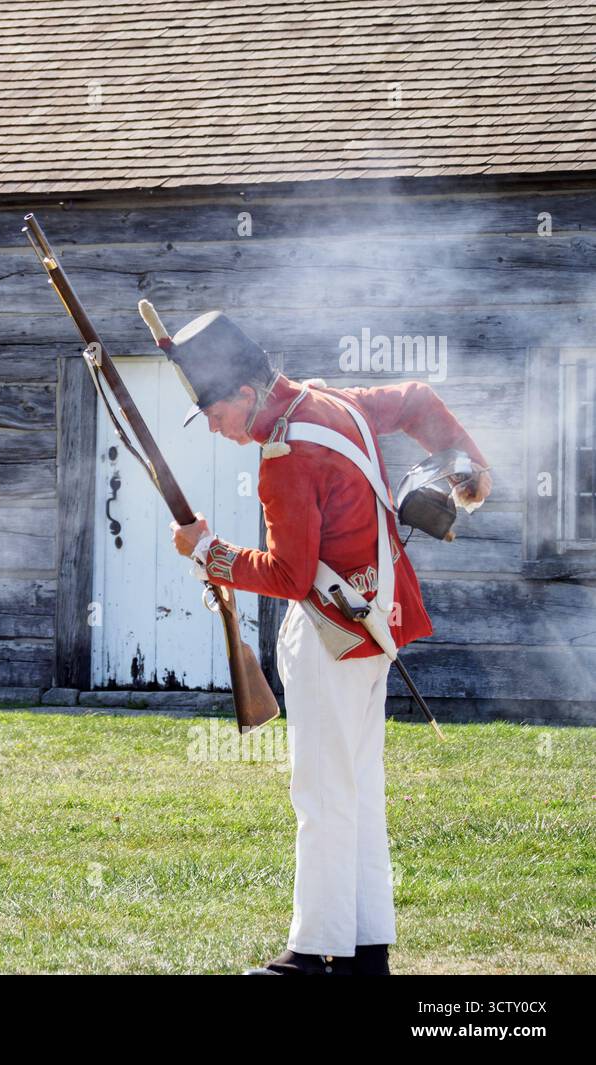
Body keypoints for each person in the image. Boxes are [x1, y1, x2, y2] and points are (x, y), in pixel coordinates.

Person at [160, 311, 491, 975]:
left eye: (218, 414)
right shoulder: (329, 400)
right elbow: (418, 399)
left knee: (321, 795)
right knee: (357, 791)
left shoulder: (282, 461)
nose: (219, 430)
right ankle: (366, 951)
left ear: (247, 397)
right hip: (374, 626)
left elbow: (288, 575)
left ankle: (313, 955)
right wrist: (469, 461)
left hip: (329, 635)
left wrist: (210, 552)